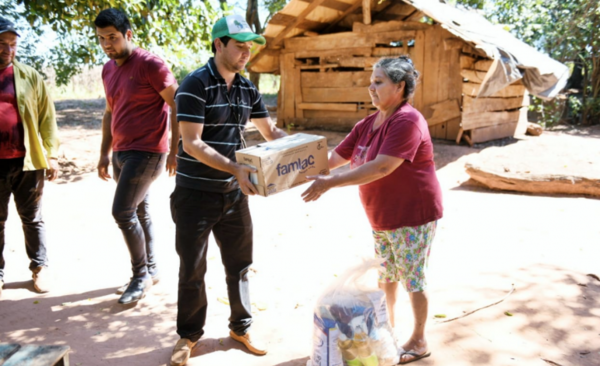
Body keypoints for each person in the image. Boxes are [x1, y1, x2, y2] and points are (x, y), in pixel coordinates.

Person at [302, 56, 443, 365]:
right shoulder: (368, 124)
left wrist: (330, 183)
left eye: (379, 82)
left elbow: (381, 167)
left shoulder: (408, 120)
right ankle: (386, 331)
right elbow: (332, 158)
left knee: (413, 278)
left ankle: (419, 340)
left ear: (400, 86)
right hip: (382, 216)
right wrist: (284, 169)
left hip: (411, 214)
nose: (371, 87)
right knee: (388, 276)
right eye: (372, 81)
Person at [169, 14, 287, 366]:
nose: (246, 52)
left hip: (234, 195)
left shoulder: (248, 88)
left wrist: (304, 152)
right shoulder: (194, 84)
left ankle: (241, 327)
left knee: (240, 266)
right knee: (192, 268)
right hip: (194, 195)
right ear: (218, 44)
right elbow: (191, 143)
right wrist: (236, 168)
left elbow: (271, 133)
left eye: (249, 46)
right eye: (239, 46)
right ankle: (188, 335)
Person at [94, 8, 179, 305]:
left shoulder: (150, 65)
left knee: (122, 212)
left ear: (128, 35)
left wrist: (175, 149)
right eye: (102, 38)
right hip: (120, 151)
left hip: (147, 152)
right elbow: (109, 112)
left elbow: (177, 104)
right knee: (139, 212)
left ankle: (140, 275)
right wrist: (104, 154)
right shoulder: (108, 69)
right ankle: (151, 269)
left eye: (113, 38)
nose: (107, 44)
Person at [0, 16, 60, 296]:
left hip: (27, 161)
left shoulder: (29, 76)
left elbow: (47, 118)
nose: (8, 50)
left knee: (32, 217)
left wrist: (53, 155)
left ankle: (40, 267)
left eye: (12, 44)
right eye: (2, 43)